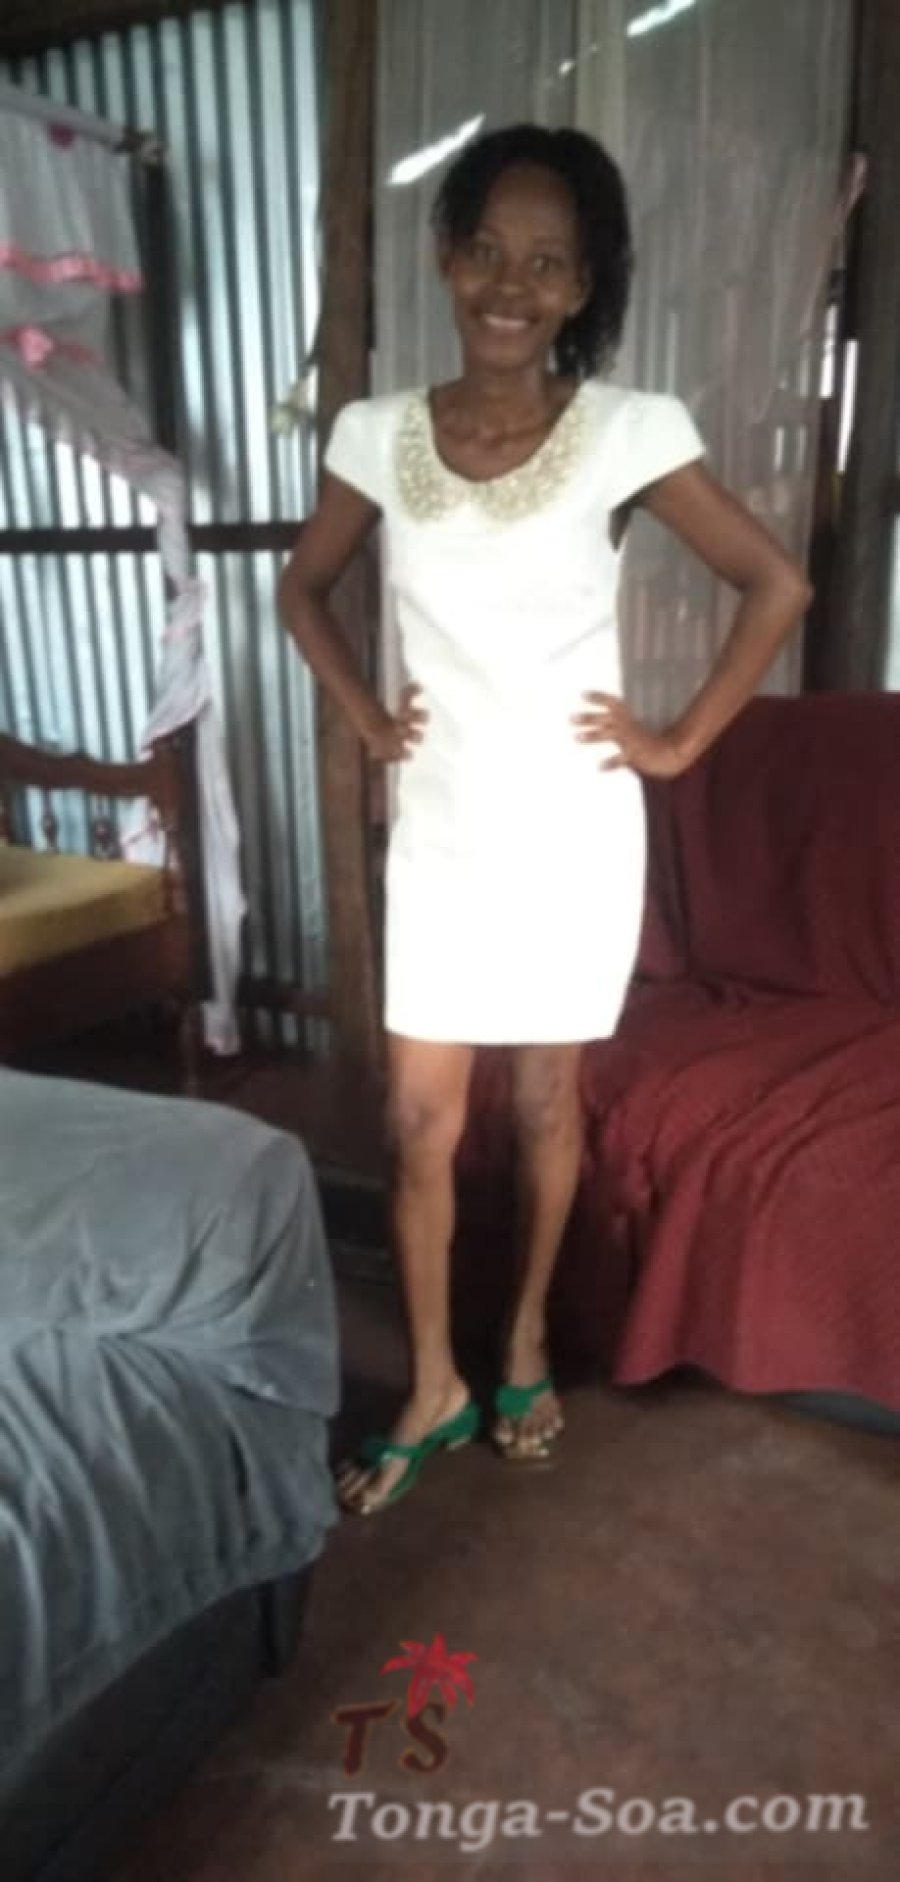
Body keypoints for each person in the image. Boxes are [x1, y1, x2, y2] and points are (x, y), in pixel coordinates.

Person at [279, 123, 811, 1515]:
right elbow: (302, 587)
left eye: (547, 263)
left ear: (582, 285)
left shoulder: (629, 431)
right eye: (486, 252)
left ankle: (518, 1343)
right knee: (416, 1116)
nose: (510, 285)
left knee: (540, 1103)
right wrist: (364, 716)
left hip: (572, 826)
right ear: (447, 260)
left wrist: (675, 743)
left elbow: (776, 584)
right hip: (446, 825)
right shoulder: (376, 436)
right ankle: (434, 1384)